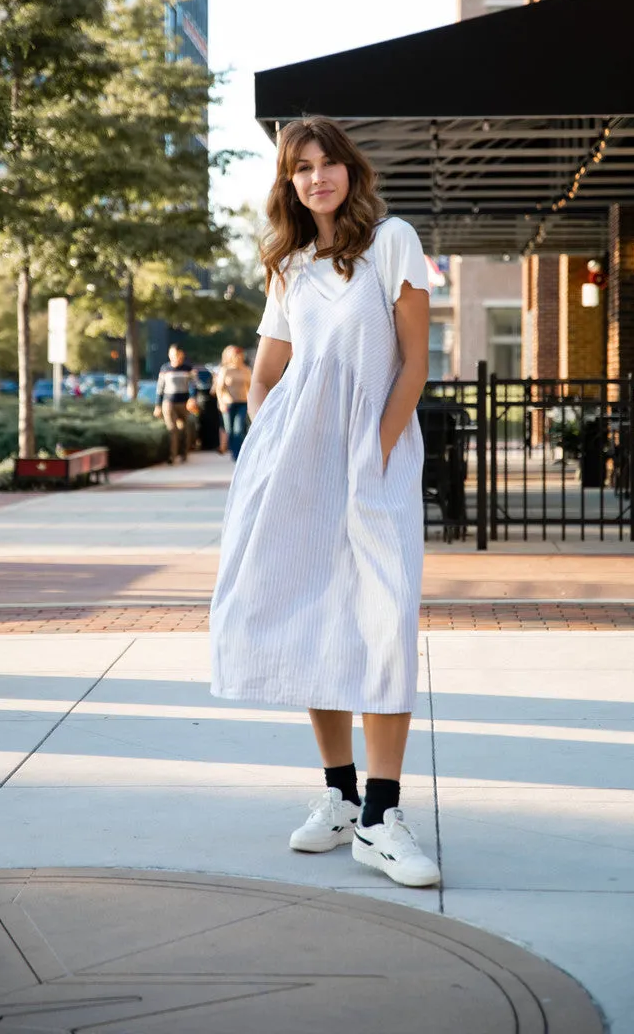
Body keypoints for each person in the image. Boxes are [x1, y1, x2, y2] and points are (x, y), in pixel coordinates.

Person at [210, 116, 439, 888]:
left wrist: (374, 451)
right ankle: (340, 796)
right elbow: (268, 370)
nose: (316, 177)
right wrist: (266, 446)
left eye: (327, 162)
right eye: (299, 168)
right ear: (287, 184)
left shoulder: (392, 241)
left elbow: (414, 362)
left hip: (371, 460)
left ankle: (382, 815)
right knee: (311, 612)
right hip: (297, 465)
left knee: (382, 619)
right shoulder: (290, 263)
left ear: (350, 168)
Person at [153, 344, 193, 463]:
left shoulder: (188, 368)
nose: (175, 357)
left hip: (183, 403)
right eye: (172, 354)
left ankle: (184, 453)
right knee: (172, 429)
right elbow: (160, 388)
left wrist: (193, 398)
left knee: (184, 429)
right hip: (168, 402)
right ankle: (172, 456)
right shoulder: (165, 369)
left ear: (182, 355)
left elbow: (194, 385)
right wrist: (158, 405)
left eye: (177, 354)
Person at [214, 345, 252, 461]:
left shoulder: (246, 370)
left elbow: (251, 387)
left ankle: (239, 454)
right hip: (228, 403)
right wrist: (221, 403)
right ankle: (234, 452)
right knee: (230, 430)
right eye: (236, 356)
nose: (238, 358)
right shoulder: (225, 370)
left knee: (239, 429)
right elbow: (219, 388)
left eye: (240, 355)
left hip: (243, 402)